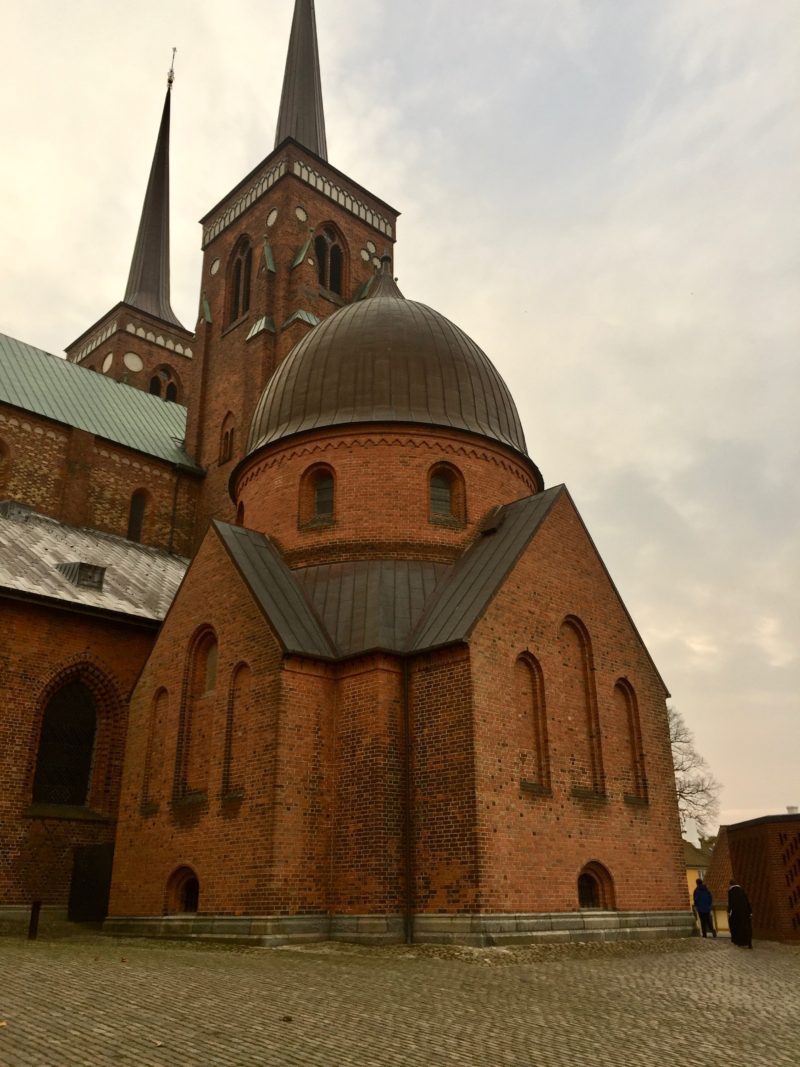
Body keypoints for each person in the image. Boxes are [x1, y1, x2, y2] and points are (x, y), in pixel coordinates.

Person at [727, 880, 753, 948]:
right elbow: (747, 901)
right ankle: (749, 942)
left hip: (736, 912)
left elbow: (731, 903)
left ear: (730, 885)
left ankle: (740, 942)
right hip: (745, 911)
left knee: (737, 927)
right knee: (746, 927)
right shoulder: (742, 890)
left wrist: (729, 912)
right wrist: (750, 911)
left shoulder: (731, 892)